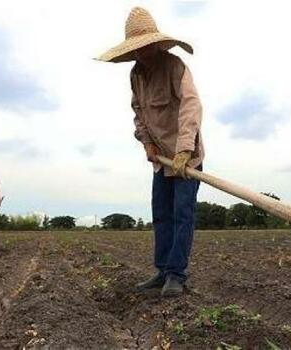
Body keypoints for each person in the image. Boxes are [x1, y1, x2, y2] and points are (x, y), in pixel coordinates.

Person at [98, 7, 204, 297]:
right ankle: (161, 271)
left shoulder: (174, 67)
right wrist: (147, 143)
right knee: (161, 215)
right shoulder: (136, 75)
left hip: (186, 159)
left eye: (145, 47)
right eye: (137, 49)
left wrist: (183, 150)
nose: (142, 53)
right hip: (161, 161)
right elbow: (138, 113)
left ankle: (176, 275)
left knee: (183, 215)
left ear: (156, 43)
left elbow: (190, 107)